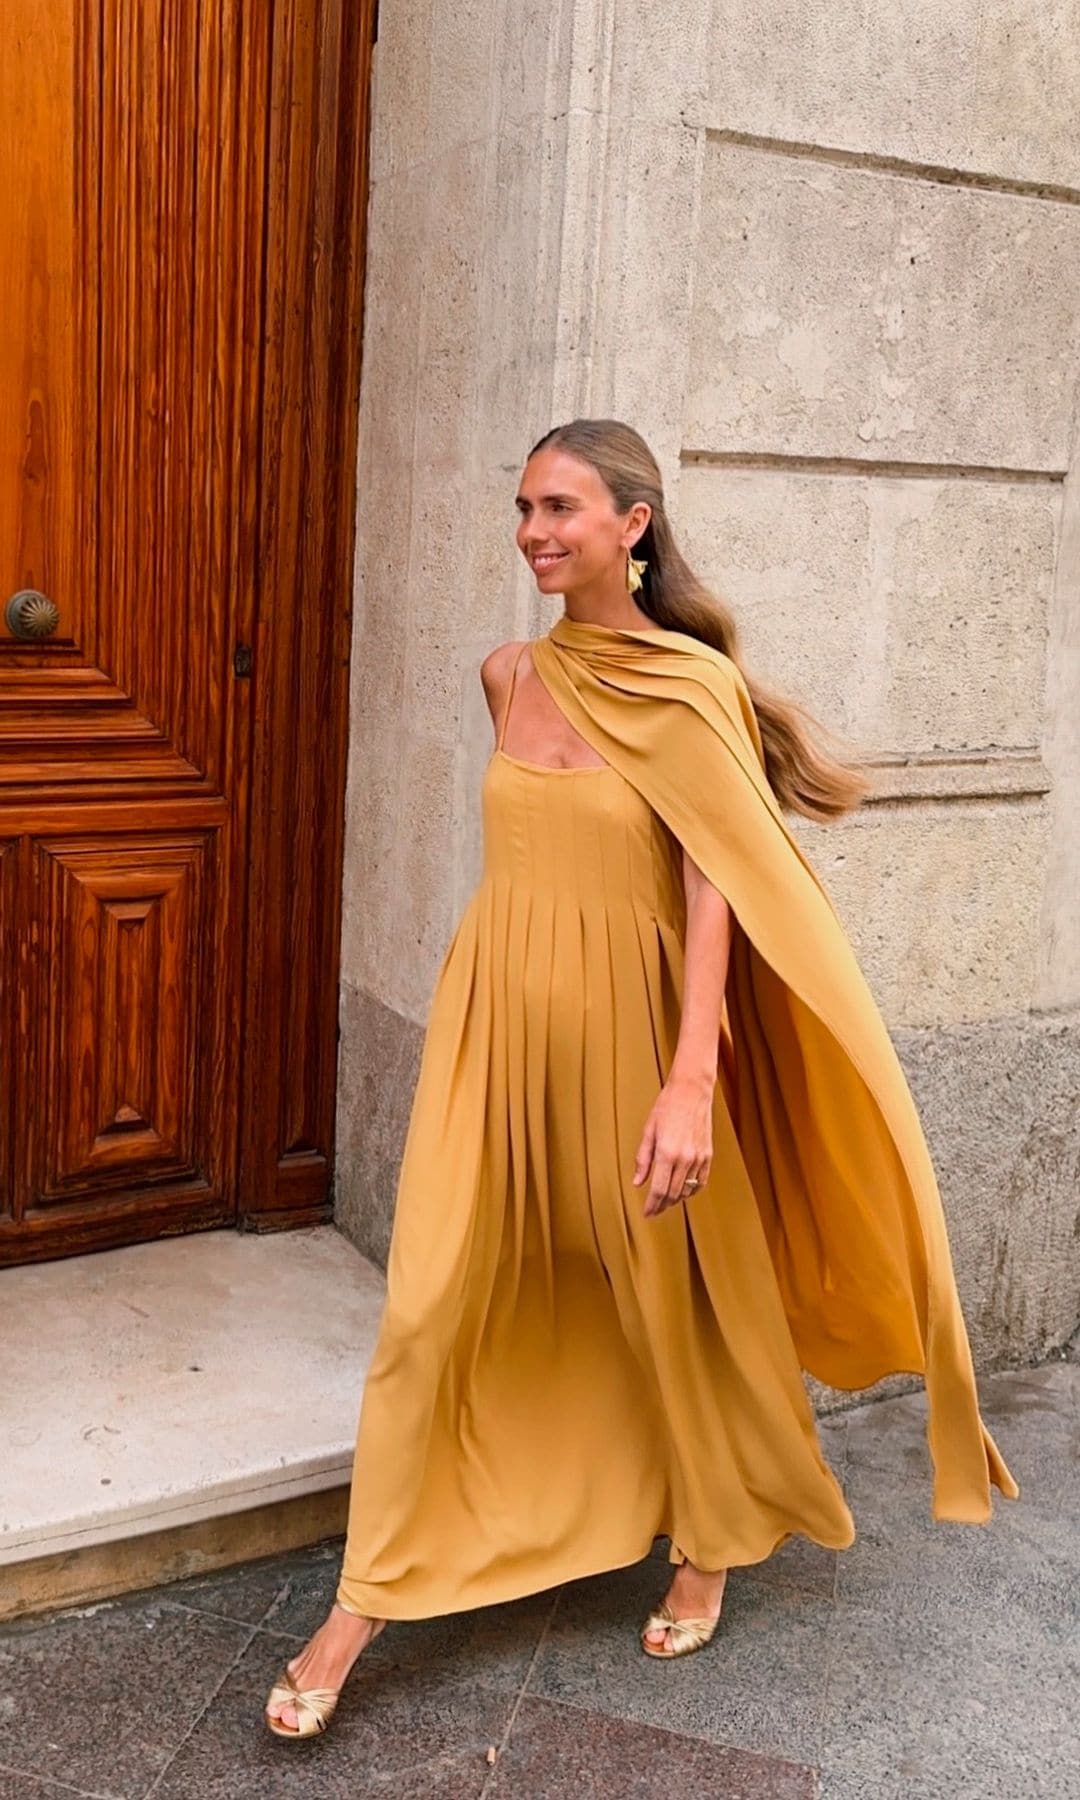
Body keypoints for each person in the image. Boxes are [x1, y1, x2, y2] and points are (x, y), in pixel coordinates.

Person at [264, 418, 1017, 1739]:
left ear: (634, 524)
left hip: (640, 1033)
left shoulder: (687, 686)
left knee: (674, 1297)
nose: (535, 533)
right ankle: (361, 1603)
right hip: (498, 1029)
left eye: (562, 507)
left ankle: (712, 1533)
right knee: (433, 1305)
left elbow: (712, 876)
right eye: (522, 508)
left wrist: (692, 1079)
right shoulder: (506, 674)